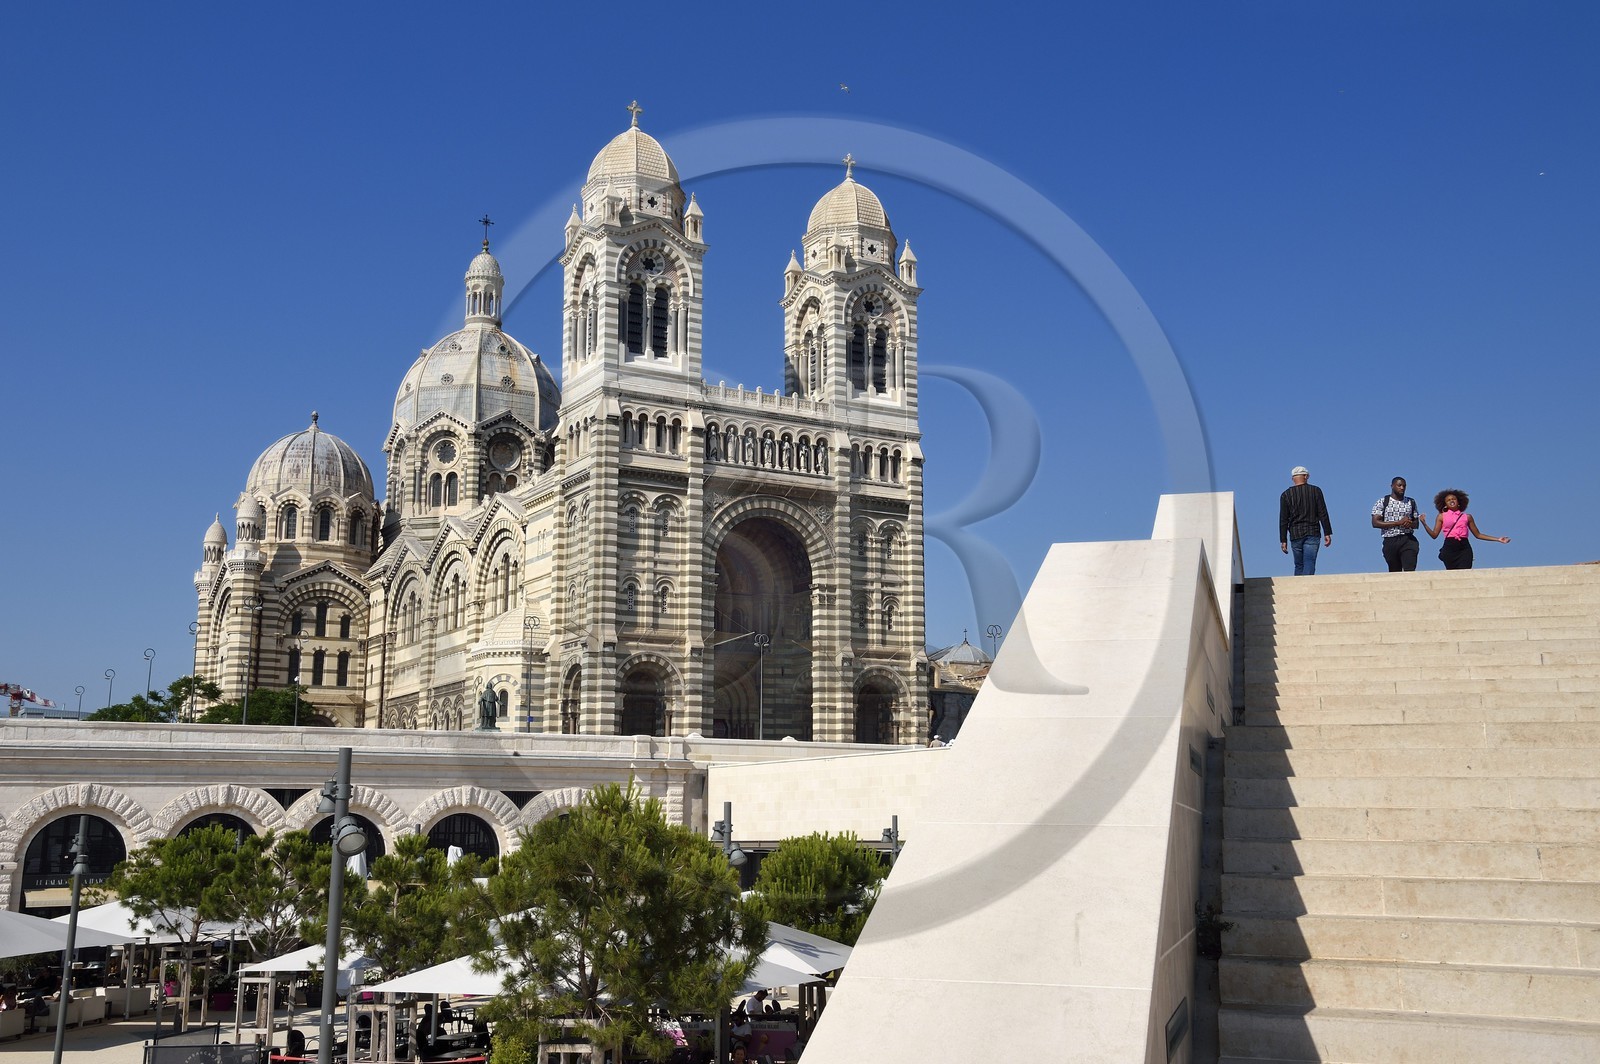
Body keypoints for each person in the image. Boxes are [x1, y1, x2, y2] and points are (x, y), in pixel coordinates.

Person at [1423, 489, 1509, 569]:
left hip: (1464, 547)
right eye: (1448, 500)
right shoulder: (1441, 516)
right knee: (1452, 575)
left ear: (1458, 502)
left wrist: (1498, 539)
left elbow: (1478, 535)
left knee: (1465, 570)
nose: (1451, 501)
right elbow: (1434, 535)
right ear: (1445, 504)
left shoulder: (1467, 517)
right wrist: (1424, 524)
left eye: (1454, 499)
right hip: (1450, 547)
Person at [1279, 466, 1332, 575]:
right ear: (1306, 476)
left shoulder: (1286, 495)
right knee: (1309, 561)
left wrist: (1283, 540)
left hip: (1295, 534)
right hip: (1313, 531)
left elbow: (1283, 519)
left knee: (1299, 564)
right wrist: (1327, 532)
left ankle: (1298, 584)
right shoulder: (1315, 491)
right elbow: (1323, 513)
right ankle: (1307, 583)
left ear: (1292, 478)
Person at [1371, 476, 1423, 572]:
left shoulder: (1411, 502)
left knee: (1410, 568)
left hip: (1408, 539)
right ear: (1392, 486)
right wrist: (1397, 523)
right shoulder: (1383, 501)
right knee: (1395, 571)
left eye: (1404, 486)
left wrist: (1409, 524)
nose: (1402, 488)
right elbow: (1375, 523)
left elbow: (1416, 524)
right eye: (1399, 485)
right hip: (1390, 540)